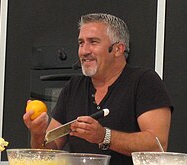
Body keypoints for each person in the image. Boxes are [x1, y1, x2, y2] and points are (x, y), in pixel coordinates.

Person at [23, 13, 173, 165]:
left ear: (118, 49)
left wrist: (104, 136)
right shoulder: (73, 87)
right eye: (81, 43)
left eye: (93, 42)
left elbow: (157, 145)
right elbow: (48, 153)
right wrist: (37, 133)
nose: (84, 51)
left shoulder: (144, 81)